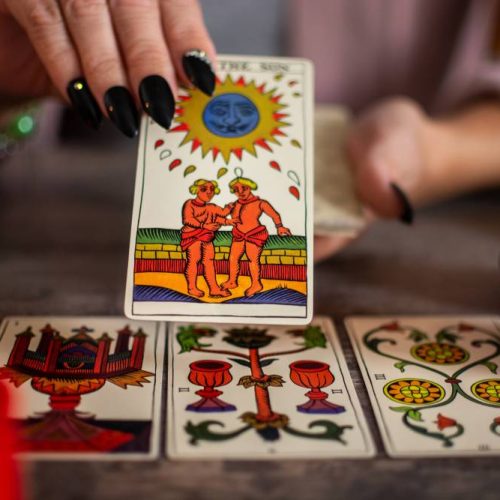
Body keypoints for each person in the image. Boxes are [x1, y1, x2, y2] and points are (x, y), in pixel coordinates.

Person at [222, 176, 291, 297]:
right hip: (238, 234)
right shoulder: (234, 204)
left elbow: (275, 215)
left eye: (244, 188)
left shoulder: (260, 203)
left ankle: (256, 283)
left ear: (250, 187)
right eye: (236, 190)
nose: (240, 192)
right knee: (233, 258)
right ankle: (232, 281)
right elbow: (228, 217)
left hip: (254, 234)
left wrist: (279, 226)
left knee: (252, 259)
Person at [181, 179, 236, 298]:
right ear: (196, 190)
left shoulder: (211, 207)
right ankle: (192, 287)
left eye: (212, 189)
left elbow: (221, 214)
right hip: (193, 236)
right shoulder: (190, 203)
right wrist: (203, 226)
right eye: (204, 189)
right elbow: (187, 219)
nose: (209, 192)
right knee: (194, 260)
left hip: (207, 237)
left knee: (209, 262)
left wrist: (228, 219)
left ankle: (214, 289)